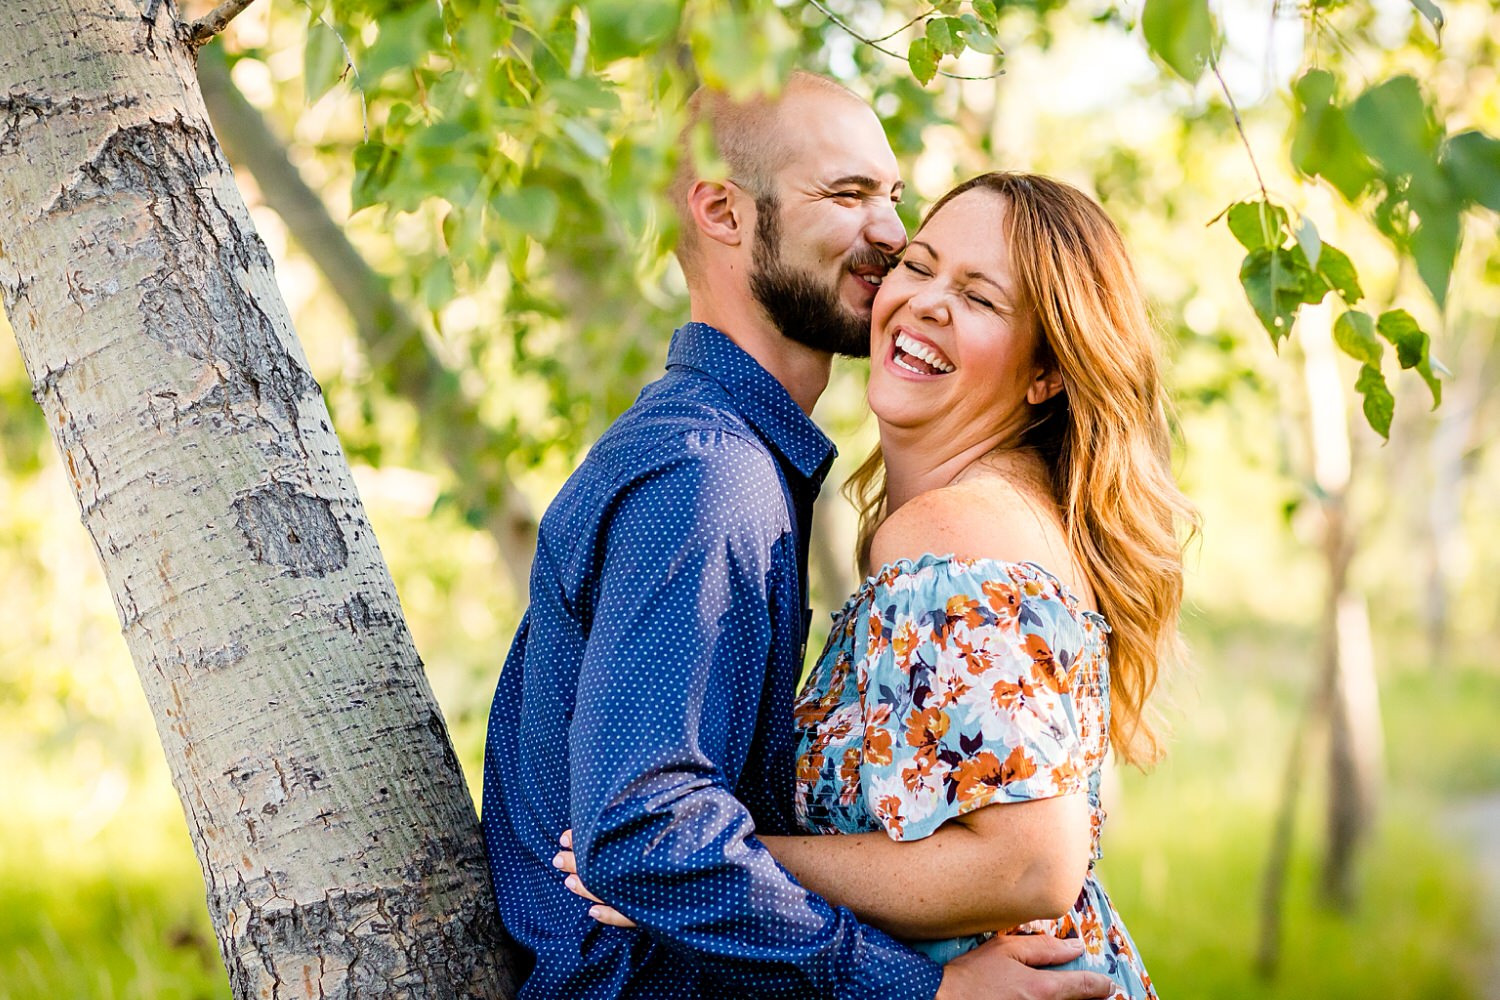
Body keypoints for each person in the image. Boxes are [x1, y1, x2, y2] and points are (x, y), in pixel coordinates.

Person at [480, 71, 1117, 1000]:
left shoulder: (744, 468)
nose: (891, 237)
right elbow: (643, 833)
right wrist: (919, 992)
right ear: (724, 213)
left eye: (893, 197)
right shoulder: (712, 477)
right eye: (849, 195)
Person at [560, 172, 1197, 999]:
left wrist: (700, 870)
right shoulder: (970, 520)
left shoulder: (956, 533)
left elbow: (1035, 861)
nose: (927, 302)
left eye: (979, 298)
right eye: (919, 265)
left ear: (1045, 375)